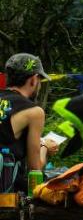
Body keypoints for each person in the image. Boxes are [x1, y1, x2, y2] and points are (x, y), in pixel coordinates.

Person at [0, 53, 56, 188]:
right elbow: (35, 169)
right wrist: (45, 148)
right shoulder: (34, 112)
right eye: (40, 81)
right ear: (33, 80)